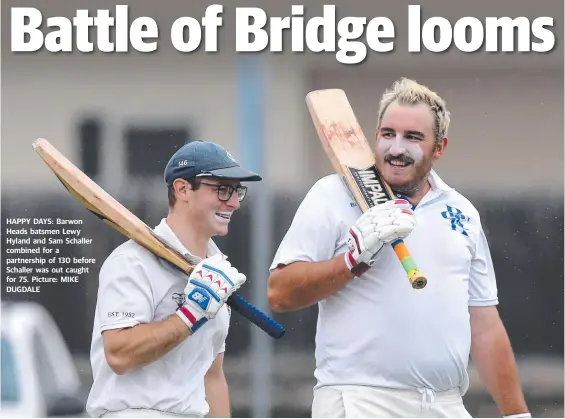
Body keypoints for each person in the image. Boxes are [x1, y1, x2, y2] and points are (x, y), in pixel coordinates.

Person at [267, 78, 530, 418]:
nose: (396, 148)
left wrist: (517, 414)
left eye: (413, 137)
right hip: (360, 401)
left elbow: (484, 325)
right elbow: (279, 293)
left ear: (439, 148)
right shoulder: (331, 195)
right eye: (387, 134)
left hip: (446, 404)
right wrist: (350, 260)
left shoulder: (461, 212)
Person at [86, 140, 262, 418]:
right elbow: (119, 355)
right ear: (182, 189)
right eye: (223, 189)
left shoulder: (217, 273)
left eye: (238, 191)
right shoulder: (132, 262)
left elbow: (212, 376)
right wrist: (192, 314)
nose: (234, 202)